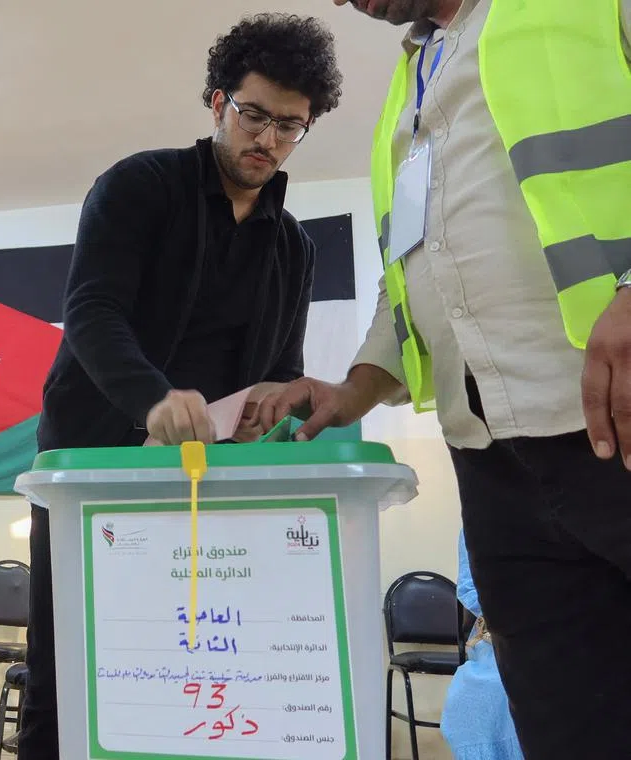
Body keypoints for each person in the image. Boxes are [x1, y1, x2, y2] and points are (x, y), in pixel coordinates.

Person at [256, 1, 631, 757]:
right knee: (568, 728)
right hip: (494, 463)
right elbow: (412, 288)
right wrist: (353, 388)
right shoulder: (408, 92)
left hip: (614, 421)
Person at [20, 13, 344, 759]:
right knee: (68, 664)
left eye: (290, 126)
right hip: (94, 461)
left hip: (209, 476)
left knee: (197, 664)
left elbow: (281, 365)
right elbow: (92, 311)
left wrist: (276, 401)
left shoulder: (293, 246)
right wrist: (154, 397)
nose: (266, 139)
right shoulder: (141, 185)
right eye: (253, 114)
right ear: (216, 101)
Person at [440, 529, 523, 760]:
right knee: (474, 695)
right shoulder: (477, 522)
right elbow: (469, 587)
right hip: (498, 636)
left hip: (561, 636)